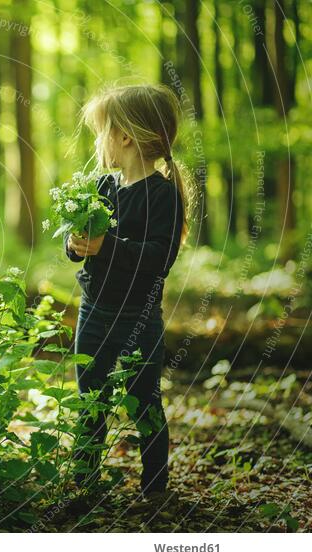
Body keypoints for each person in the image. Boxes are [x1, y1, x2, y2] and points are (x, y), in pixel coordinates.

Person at [64, 84, 190, 502]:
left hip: (139, 317)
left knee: (145, 403)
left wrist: (107, 246)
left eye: (102, 131)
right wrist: (75, 243)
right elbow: (78, 245)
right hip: (94, 312)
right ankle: (84, 484)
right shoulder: (103, 188)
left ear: (125, 137)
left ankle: (155, 490)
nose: (98, 141)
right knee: (90, 400)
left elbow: (158, 257)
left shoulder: (162, 195)